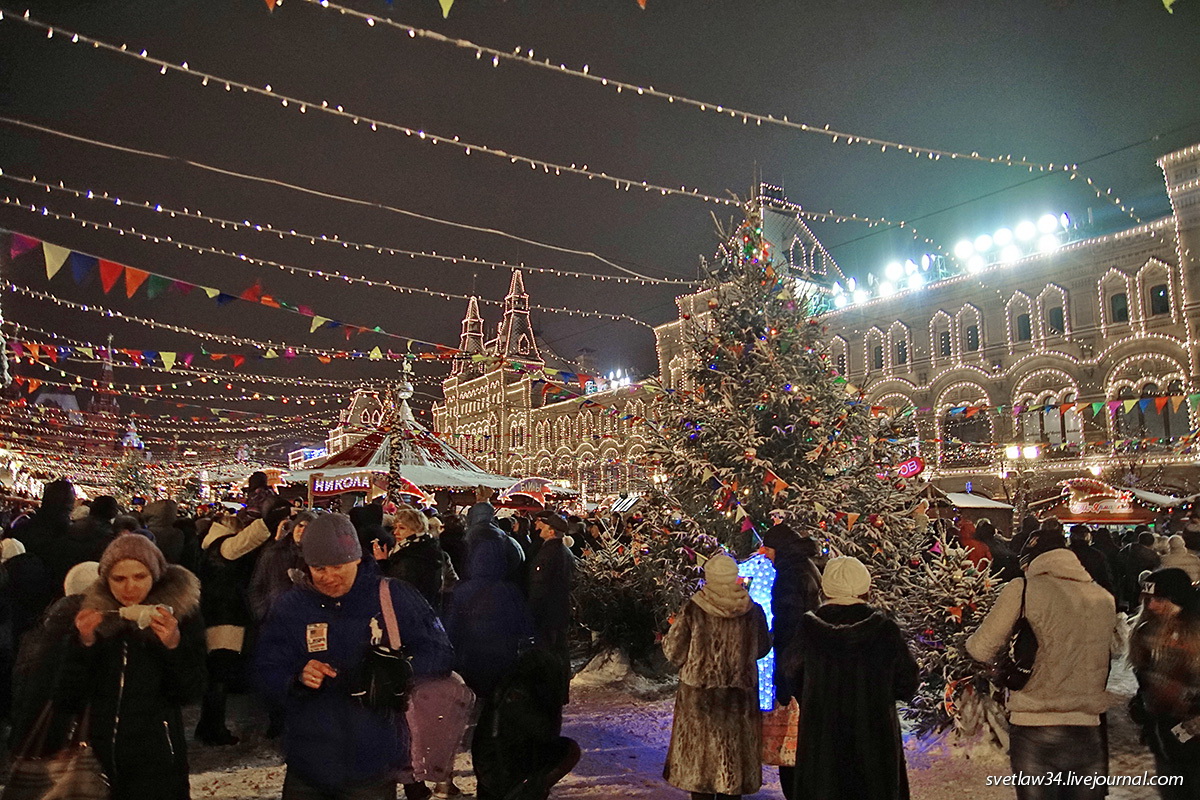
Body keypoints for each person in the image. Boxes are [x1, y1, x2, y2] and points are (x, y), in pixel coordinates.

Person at [255, 513, 454, 800]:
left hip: (372, 763)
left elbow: (440, 651)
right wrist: (295, 678)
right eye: (319, 568)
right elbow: (264, 668)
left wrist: (397, 670)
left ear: (357, 559)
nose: (329, 576)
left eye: (338, 566)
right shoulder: (291, 606)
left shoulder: (393, 596)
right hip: (307, 764)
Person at [967, 531, 1118, 798]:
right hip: (1088, 726)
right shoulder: (1103, 597)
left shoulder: (1023, 588)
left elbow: (980, 648)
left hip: (1034, 723)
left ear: (1031, 559)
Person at [59, 535, 206, 800]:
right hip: (98, 760)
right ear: (105, 579)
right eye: (119, 579)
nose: (130, 588)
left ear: (156, 575)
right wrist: (84, 644)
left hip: (158, 759)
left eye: (140, 577)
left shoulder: (180, 617)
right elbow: (67, 696)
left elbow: (191, 691)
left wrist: (172, 646)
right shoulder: (95, 617)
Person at [780, 556, 918, 800]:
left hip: (822, 749)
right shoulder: (884, 631)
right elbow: (907, 683)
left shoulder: (809, 630)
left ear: (827, 588)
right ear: (865, 587)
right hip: (874, 749)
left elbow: (790, 674)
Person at [663, 553, 771, 800]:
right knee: (733, 771)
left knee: (700, 773)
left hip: (700, 699)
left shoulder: (694, 608)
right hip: (738, 698)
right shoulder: (752, 610)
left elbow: (674, 651)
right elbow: (762, 648)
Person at [445, 525, 536, 800]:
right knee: (493, 726)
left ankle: (447, 777)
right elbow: (526, 630)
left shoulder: (462, 591)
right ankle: (491, 776)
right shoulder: (510, 592)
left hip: (469, 664)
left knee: (459, 724)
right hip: (502, 667)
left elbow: (451, 629)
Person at [195, 500, 289, 745]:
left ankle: (208, 726)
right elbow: (248, 539)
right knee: (220, 675)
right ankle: (213, 729)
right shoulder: (223, 546)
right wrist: (270, 519)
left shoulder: (211, 547)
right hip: (224, 617)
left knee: (218, 674)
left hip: (217, 615)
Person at [758, 522, 821, 800]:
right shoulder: (804, 566)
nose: (765, 555)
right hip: (807, 663)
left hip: (796, 667)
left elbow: (789, 630)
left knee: (794, 745)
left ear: (779, 550)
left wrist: (783, 679)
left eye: (768, 550)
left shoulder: (789, 575)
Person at [1128, 568, 1200, 797]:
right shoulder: (1145, 632)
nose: (1151, 606)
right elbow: (1147, 681)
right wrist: (1143, 704)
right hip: (1165, 736)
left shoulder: (1195, 633)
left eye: (1159, 599)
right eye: (1148, 599)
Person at [528, 512, 575, 698]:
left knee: (550, 653)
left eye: (543, 525)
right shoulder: (565, 552)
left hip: (548, 613)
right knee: (560, 651)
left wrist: (533, 611)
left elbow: (539, 586)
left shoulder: (548, 554)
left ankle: (551, 692)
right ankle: (560, 690)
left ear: (551, 531)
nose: (539, 527)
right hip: (560, 610)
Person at [383, 506, 450, 610]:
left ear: (416, 529)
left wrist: (382, 563)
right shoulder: (426, 549)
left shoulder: (413, 556)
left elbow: (397, 588)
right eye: (395, 527)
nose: (396, 532)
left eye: (402, 528)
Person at [1069, 525, 1117, 598]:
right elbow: (1104, 578)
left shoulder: (1065, 553)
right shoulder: (1096, 555)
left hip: (1069, 593)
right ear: (1087, 537)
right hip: (1091, 593)